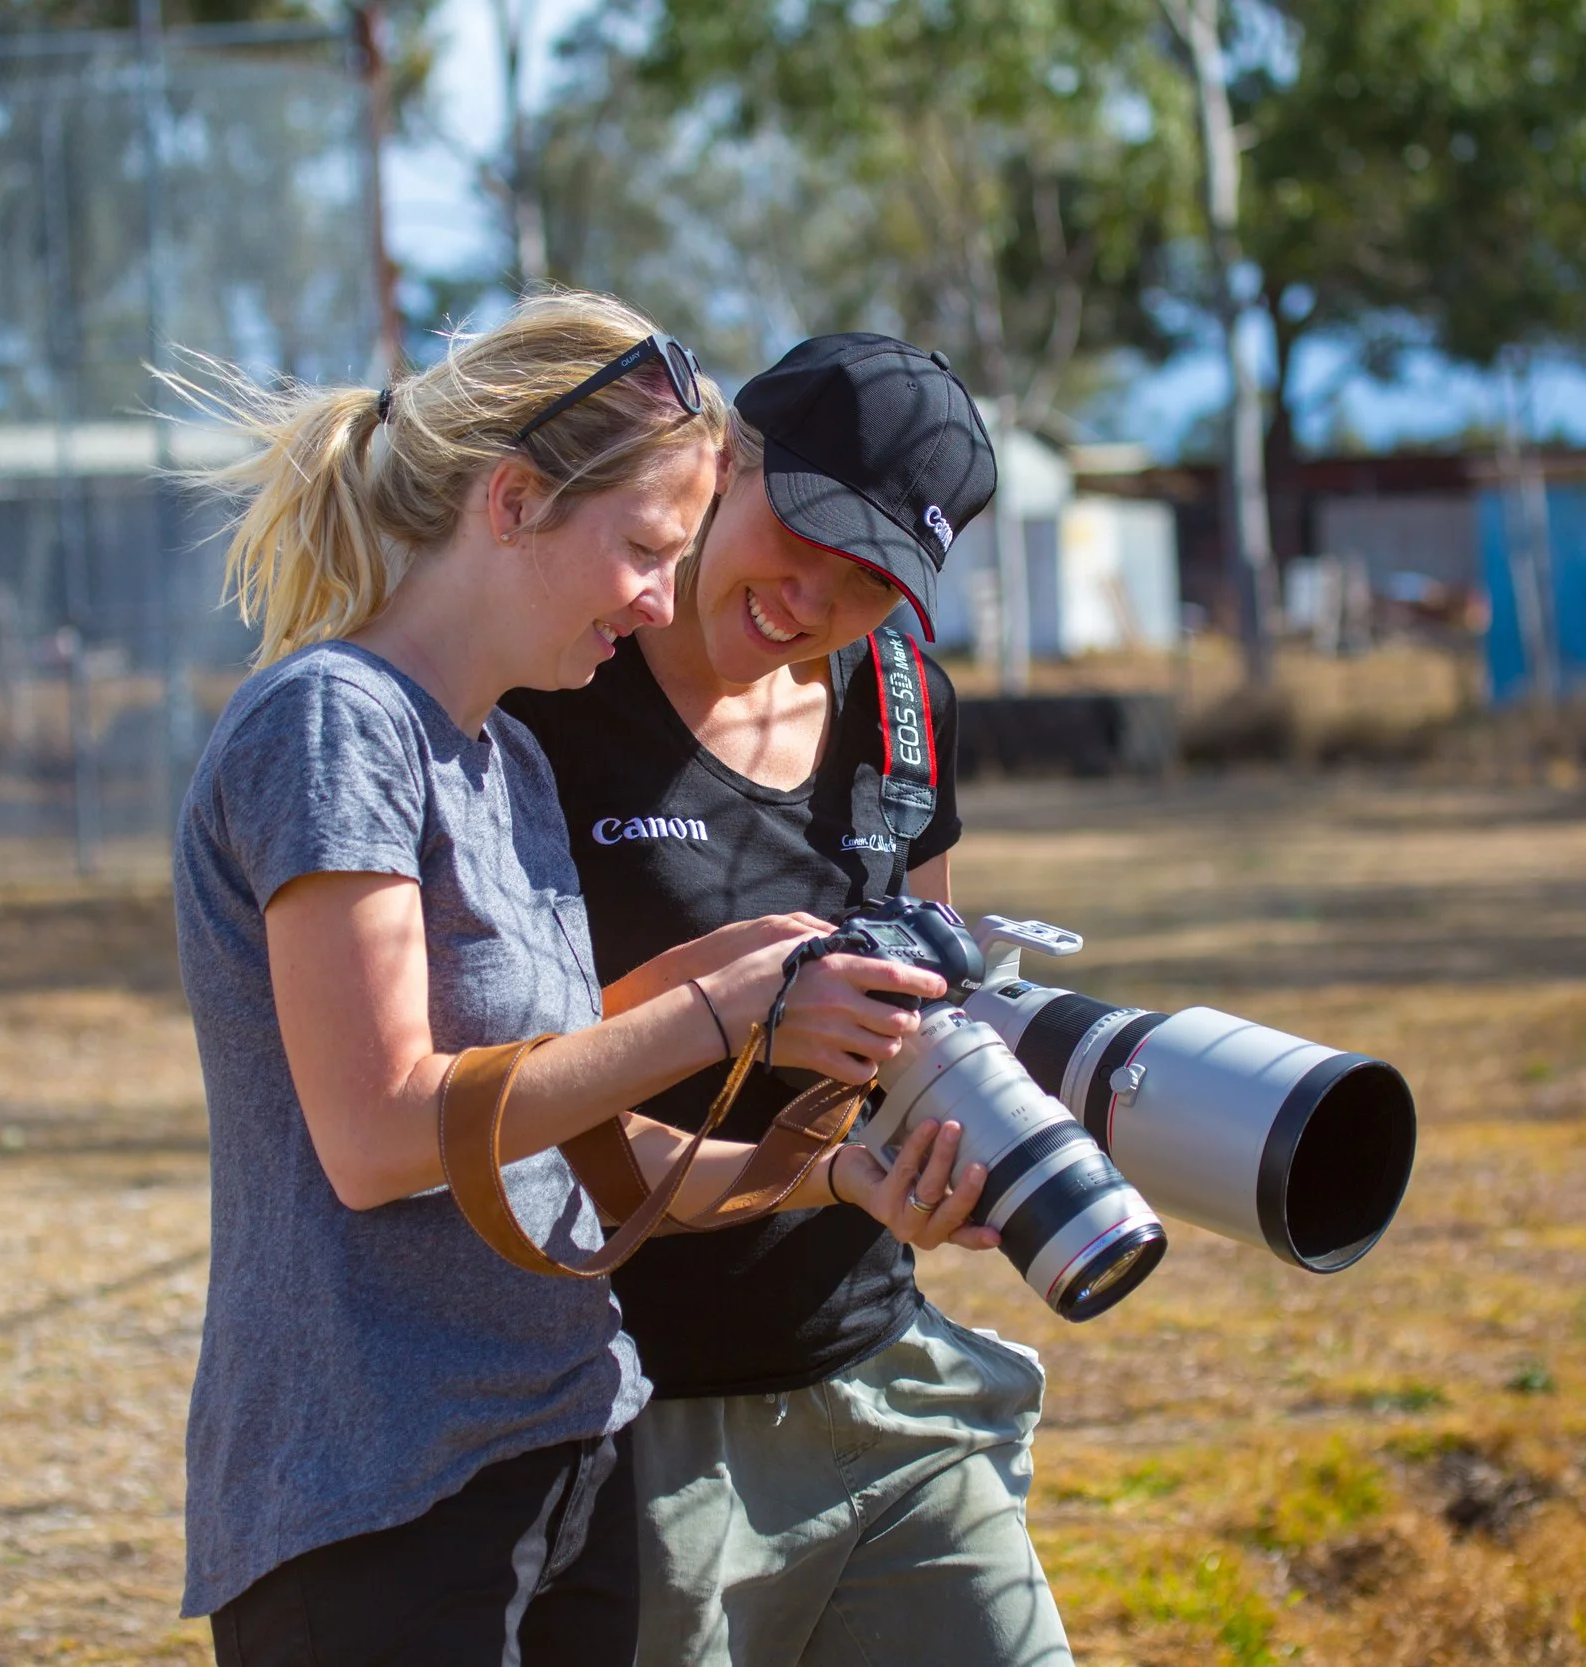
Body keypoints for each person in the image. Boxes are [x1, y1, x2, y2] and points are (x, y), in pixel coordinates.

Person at [169, 296, 960, 1667]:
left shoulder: (507, 761)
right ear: (515, 500)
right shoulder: (333, 724)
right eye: (647, 549)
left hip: (570, 1460)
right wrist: (716, 1009)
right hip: (374, 1493)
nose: (664, 598)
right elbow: (379, 1137)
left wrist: (826, 1170)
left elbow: (571, 1152)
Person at [505, 334, 1075, 1667]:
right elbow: (488, 1076)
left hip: (879, 1375)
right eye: (803, 528)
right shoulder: (557, 690)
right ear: (726, 458)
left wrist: (943, 1142)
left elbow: (926, 1006)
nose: (812, 593)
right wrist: (734, 1009)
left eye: (874, 574)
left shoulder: (901, 705)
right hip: (637, 1415)